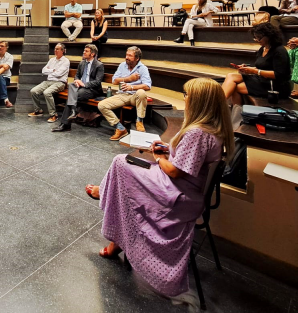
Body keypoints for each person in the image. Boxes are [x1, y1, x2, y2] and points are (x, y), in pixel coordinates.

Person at [85, 78, 233, 301]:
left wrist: (158, 157)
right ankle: (113, 224)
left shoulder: (197, 133)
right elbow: (188, 160)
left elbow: (174, 171)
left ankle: (105, 198)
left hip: (176, 193)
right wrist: (166, 149)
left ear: (199, 102)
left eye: (187, 95)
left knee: (121, 164)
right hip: (187, 190)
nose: (185, 98)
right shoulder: (214, 129)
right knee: (123, 167)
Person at [223, 22, 291, 105]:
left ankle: (219, 105)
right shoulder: (262, 49)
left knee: (236, 87)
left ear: (269, 36)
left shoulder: (279, 51)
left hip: (275, 85)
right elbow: (263, 67)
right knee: (231, 76)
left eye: (259, 37)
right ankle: (219, 103)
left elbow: (279, 75)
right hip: (262, 80)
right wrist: (247, 68)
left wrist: (254, 71)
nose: (256, 40)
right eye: (255, 37)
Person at [97, 46, 152, 140]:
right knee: (102, 105)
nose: (127, 57)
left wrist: (132, 87)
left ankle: (139, 121)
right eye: (126, 55)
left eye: (130, 55)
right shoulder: (122, 65)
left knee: (141, 92)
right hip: (122, 95)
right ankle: (120, 128)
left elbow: (147, 86)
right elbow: (114, 81)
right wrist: (129, 79)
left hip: (135, 96)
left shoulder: (143, 68)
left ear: (137, 58)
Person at [52, 44, 104, 132]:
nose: (84, 52)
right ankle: (72, 112)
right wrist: (77, 81)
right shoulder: (82, 63)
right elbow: (77, 76)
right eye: (84, 50)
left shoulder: (99, 65)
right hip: (80, 87)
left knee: (73, 96)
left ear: (92, 54)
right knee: (71, 85)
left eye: (86, 51)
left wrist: (84, 84)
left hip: (92, 89)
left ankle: (65, 124)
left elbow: (97, 82)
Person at [29, 43, 70, 120]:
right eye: (55, 49)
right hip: (48, 81)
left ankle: (53, 115)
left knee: (47, 92)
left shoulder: (66, 61)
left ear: (62, 51)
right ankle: (38, 111)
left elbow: (59, 74)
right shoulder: (52, 60)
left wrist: (49, 71)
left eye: (57, 49)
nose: (55, 50)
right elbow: (43, 71)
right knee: (33, 91)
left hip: (60, 83)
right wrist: (53, 70)